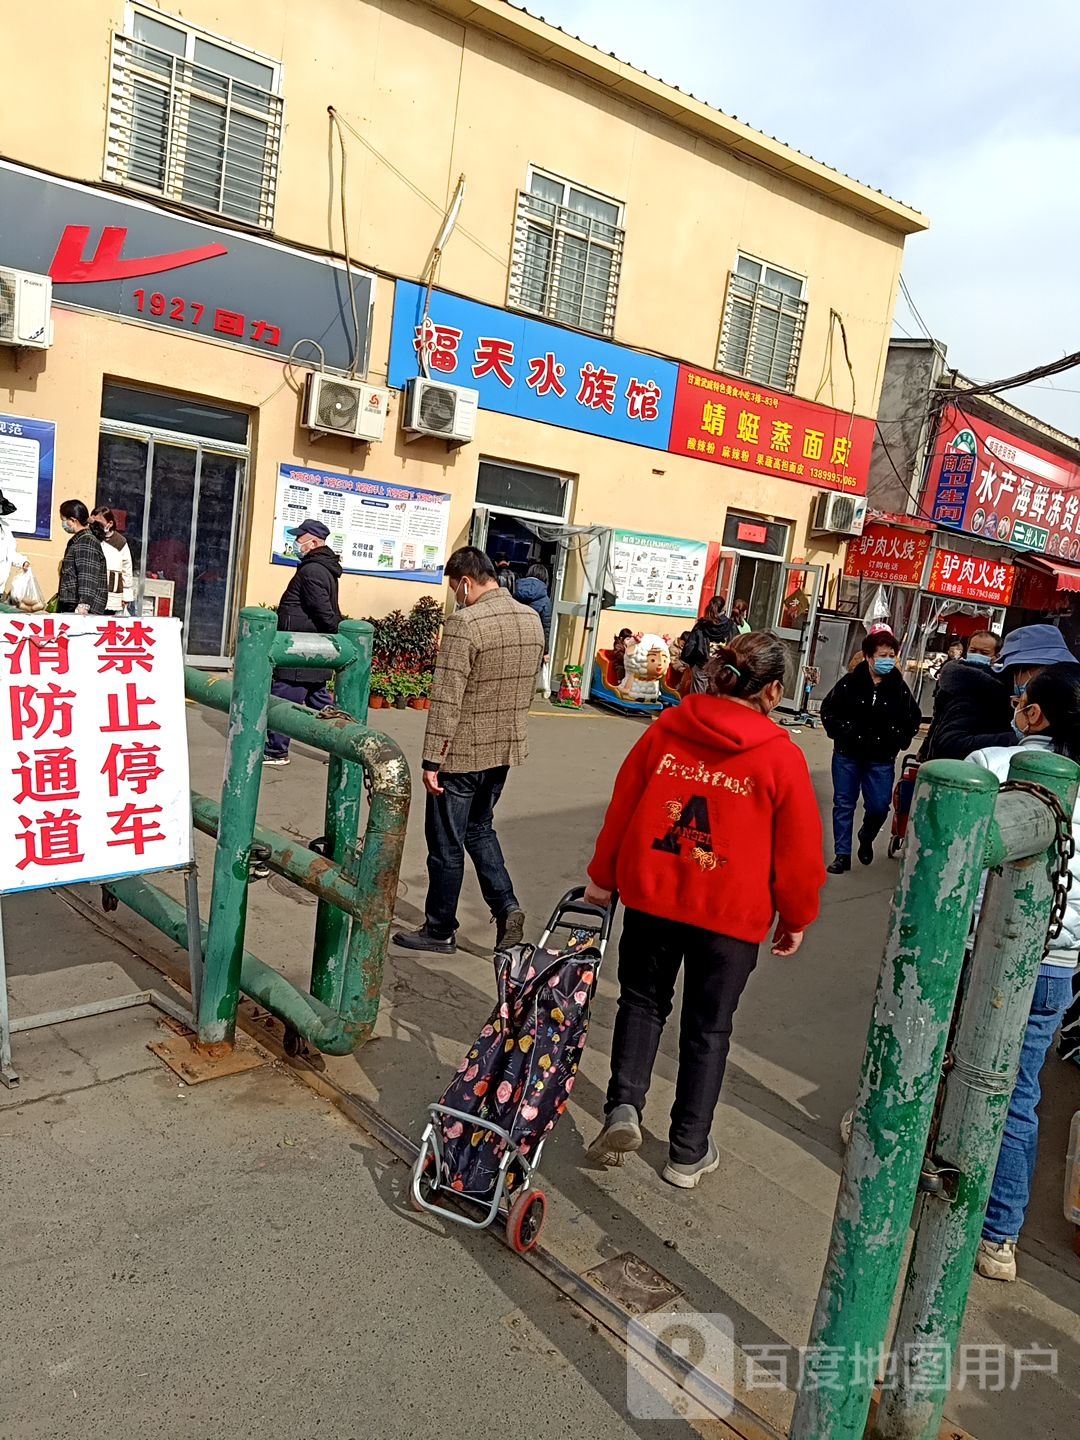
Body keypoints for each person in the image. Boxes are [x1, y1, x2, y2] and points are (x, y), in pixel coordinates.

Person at [583, 632, 825, 1187]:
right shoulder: (781, 757)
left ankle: (623, 1106)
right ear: (773, 692)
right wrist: (795, 917)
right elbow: (799, 853)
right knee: (708, 1028)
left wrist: (602, 879)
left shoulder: (668, 730)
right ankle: (687, 1152)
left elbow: (624, 805)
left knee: (641, 1003)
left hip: (653, 895)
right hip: (729, 914)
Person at [967, 663, 1080, 1282]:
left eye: (1021, 699)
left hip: (987, 951)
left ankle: (901, 1162)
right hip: (1059, 965)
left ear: (1033, 714)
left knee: (942, 1061)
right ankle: (999, 1236)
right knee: (1021, 1093)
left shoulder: (991, 765)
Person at [394, 547, 544, 956]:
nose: (455, 596)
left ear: (464, 581)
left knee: (445, 844)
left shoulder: (464, 623)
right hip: (504, 749)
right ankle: (506, 906)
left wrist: (431, 761)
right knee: (480, 829)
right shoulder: (531, 619)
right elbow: (527, 687)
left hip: (460, 754)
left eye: (454, 588)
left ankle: (440, 928)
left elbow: (445, 700)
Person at [820, 629, 922, 873]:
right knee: (844, 803)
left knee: (879, 806)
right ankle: (841, 855)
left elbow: (913, 718)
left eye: (891, 655)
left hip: (881, 758)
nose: (887, 659)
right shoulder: (850, 683)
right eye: (882, 655)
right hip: (847, 754)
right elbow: (829, 711)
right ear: (868, 656)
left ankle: (867, 836)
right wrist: (842, 731)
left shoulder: (899, 688)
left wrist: (898, 739)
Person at [263, 519, 342, 767]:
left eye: (300, 539)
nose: (296, 543)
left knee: (281, 702)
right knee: (320, 703)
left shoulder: (313, 571)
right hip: (308, 649)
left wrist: (335, 635)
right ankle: (343, 746)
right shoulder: (320, 568)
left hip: (301, 650)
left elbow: (323, 612)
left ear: (313, 542)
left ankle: (276, 751)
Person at [56, 500, 108, 615]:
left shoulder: (86, 541)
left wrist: (83, 606)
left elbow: (87, 575)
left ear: (73, 520)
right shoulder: (79, 540)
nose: (63, 524)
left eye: (64, 520)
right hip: (72, 602)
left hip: (79, 607)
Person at [680, 596, 736, 694]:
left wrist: (689, 661)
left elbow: (690, 644)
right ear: (724, 608)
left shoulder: (702, 625)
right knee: (715, 694)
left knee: (697, 695)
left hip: (702, 663)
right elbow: (735, 645)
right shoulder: (730, 626)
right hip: (720, 665)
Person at [91, 507, 136, 616]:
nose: (95, 526)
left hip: (112, 595)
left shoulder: (120, 542)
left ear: (110, 523)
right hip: (93, 593)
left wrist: (127, 595)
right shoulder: (92, 538)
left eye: (99, 523)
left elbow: (127, 569)